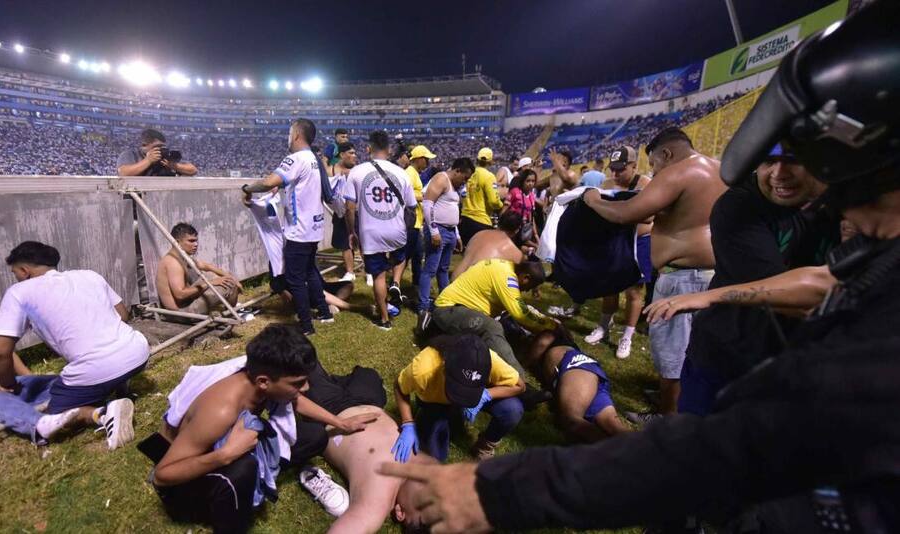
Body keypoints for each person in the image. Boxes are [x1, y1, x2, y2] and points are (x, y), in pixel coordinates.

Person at [379, 8, 900, 531]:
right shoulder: (794, 228)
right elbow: (826, 288)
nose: (781, 175)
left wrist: (498, 492)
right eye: (773, 159)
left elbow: (718, 451)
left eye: (800, 157)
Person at [645, 143, 837, 416]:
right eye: (768, 161)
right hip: (727, 358)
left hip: (801, 368)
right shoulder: (740, 204)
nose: (778, 173)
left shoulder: (853, 204)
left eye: (794, 159)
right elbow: (793, 298)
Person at [141, 324, 377, 533]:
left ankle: (257, 476)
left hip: (229, 443)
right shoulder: (221, 411)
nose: (305, 388)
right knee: (244, 469)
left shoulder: (262, 379)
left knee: (315, 436)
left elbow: (295, 400)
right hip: (184, 482)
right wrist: (225, 455)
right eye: (298, 383)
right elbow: (163, 475)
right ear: (263, 382)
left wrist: (340, 422)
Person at [582, 129, 726, 418]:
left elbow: (627, 213)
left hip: (682, 277)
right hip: (711, 274)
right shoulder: (719, 168)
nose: (655, 170)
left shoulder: (679, 172)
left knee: (673, 353)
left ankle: (665, 416)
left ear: (667, 153)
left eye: (655, 163)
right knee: (694, 348)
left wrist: (592, 199)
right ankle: (679, 401)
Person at [0, 241, 148, 450]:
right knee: (103, 355)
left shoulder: (19, 292)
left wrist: (9, 385)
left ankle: (104, 413)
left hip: (97, 369)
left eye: (15, 272)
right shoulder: (89, 275)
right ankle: (120, 387)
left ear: (24, 270)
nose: (15, 277)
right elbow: (123, 315)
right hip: (138, 352)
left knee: (56, 418)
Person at [301, 360, 438, 533]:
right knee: (367, 375)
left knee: (302, 359)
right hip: (370, 402)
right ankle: (334, 382)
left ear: (401, 512)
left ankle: (324, 382)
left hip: (331, 410)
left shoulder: (376, 503)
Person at [0, 271, 77, 443]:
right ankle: (40, 426)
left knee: (58, 382)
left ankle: (9, 415)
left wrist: (31, 380)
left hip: (0, 385)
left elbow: (6, 353)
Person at [242, 118, 333, 336]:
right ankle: (324, 313)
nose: (288, 138)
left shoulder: (295, 158)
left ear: (297, 135)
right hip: (313, 228)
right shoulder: (313, 159)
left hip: (299, 231)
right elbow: (297, 185)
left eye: (289, 133)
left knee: (295, 279)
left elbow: (268, 182)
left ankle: (306, 325)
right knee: (310, 271)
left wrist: (247, 188)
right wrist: (281, 187)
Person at [392, 335, 525, 462]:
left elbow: (520, 386)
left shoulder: (487, 359)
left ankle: (484, 445)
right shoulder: (424, 368)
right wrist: (407, 423)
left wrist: (486, 395)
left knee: (512, 409)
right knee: (434, 456)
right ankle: (438, 418)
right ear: (445, 366)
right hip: (435, 401)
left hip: (475, 394)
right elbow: (399, 385)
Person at [432, 258, 557, 379]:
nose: (527, 291)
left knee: (507, 326)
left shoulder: (503, 265)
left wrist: (547, 321)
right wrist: (551, 325)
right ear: (526, 278)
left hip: (461, 310)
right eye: (530, 286)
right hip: (449, 310)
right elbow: (521, 314)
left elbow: (520, 307)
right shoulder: (507, 278)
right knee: (492, 327)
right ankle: (518, 379)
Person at [583, 146, 653, 359]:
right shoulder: (606, 184)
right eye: (612, 169)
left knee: (633, 291)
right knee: (609, 287)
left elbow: (650, 217)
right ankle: (604, 326)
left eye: (620, 169)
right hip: (615, 241)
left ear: (634, 166)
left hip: (639, 242)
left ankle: (627, 336)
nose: (615, 174)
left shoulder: (646, 185)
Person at [344, 130, 417, 331]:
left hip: (370, 232)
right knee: (400, 258)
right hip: (397, 230)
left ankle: (384, 319)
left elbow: (349, 208)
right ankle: (396, 282)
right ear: (389, 149)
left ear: (369, 148)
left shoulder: (356, 172)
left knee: (378, 276)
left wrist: (352, 232)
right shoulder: (402, 173)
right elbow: (412, 206)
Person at [245, 188, 355, 314]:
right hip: (302, 289)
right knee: (314, 290)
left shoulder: (305, 246)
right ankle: (340, 306)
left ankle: (332, 304)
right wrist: (282, 291)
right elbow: (274, 280)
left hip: (316, 286)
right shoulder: (282, 252)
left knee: (347, 285)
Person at [523, 328, 630, 443]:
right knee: (614, 426)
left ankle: (610, 451)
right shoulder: (566, 342)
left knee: (571, 420)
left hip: (576, 367)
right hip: (588, 369)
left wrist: (524, 363)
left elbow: (543, 342)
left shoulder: (551, 336)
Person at [418, 157, 472, 315]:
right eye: (465, 178)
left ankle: (445, 302)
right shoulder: (441, 178)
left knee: (443, 269)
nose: (465, 182)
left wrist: (457, 235)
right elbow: (427, 204)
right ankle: (423, 306)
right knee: (430, 269)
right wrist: (434, 231)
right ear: (457, 171)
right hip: (439, 230)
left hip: (450, 231)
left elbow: (452, 209)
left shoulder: (454, 186)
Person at [156, 223, 240, 315]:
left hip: (185, 304)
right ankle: (230, 313)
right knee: (229, 284)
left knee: (216, 276)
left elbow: (206, 266)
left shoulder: (181, 257)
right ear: (177, 242)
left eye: (196, 241)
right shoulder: (173, 263)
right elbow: (180, 295)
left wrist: (231, 277)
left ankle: (227, 310)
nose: (196, 244)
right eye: (191, 241)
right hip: (180, 313)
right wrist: (210, 283)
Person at [393, 145, 435, 309]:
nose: (428, 162)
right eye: (426, 159)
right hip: (411, 223)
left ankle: (414, 284)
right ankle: (396, 285)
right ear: (418, 159)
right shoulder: (410, 173)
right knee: (407, 255)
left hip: (415, 222)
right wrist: (423, 196)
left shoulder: (414, 173)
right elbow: (404, 194)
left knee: (416, 254)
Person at [451, 211, 527, 281]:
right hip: (471, 287)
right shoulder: (516, 253)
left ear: (499, 222)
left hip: (454, 282)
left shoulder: (478, 235)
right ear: (517, 230)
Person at [459, 148, 504, 245]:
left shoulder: (469, 174)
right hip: (481, 221)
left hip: (465, 219)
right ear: (491, 161)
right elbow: (494, 202)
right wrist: (501, 205)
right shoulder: (489, 176)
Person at [329, 142, 359, 282]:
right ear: (342, 155)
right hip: (340, 212)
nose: (354, 156)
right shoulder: (331, 170)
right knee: (344, 243)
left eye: (354, 153)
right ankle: (350, 272)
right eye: (351, 153)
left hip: (356, 211)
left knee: (362, 242)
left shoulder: (357, 171)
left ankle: (370, 273)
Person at [117, 128, 197, 177]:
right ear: (144, 145)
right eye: (157, 146)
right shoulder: (131, 154)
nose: (161, 149)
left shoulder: (164, 156)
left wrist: (174, 166)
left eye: (163, 146)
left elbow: (193, 170)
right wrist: (148, 160)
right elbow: (124, 173)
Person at [504, 169, 541, 249]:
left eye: (533, 181)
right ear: (522, 181)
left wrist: (535, 235)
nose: (530, 183)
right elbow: (504, 211)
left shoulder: (532, 196)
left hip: (523, 230)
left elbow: (531, 218)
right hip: (511, 229)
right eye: (528, 181)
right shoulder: (514, 192)